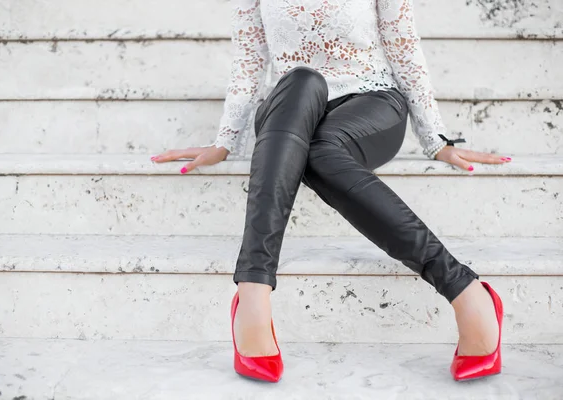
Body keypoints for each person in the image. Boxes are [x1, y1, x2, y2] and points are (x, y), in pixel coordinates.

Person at [152, 0, 510, 383]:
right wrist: (225, 141)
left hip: (372, 103)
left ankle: (461, 285)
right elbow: (249, 61)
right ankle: (254, 290)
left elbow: (404, 48)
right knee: (302, 79)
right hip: (290, 109)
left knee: (318, 153)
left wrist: (435, 139)